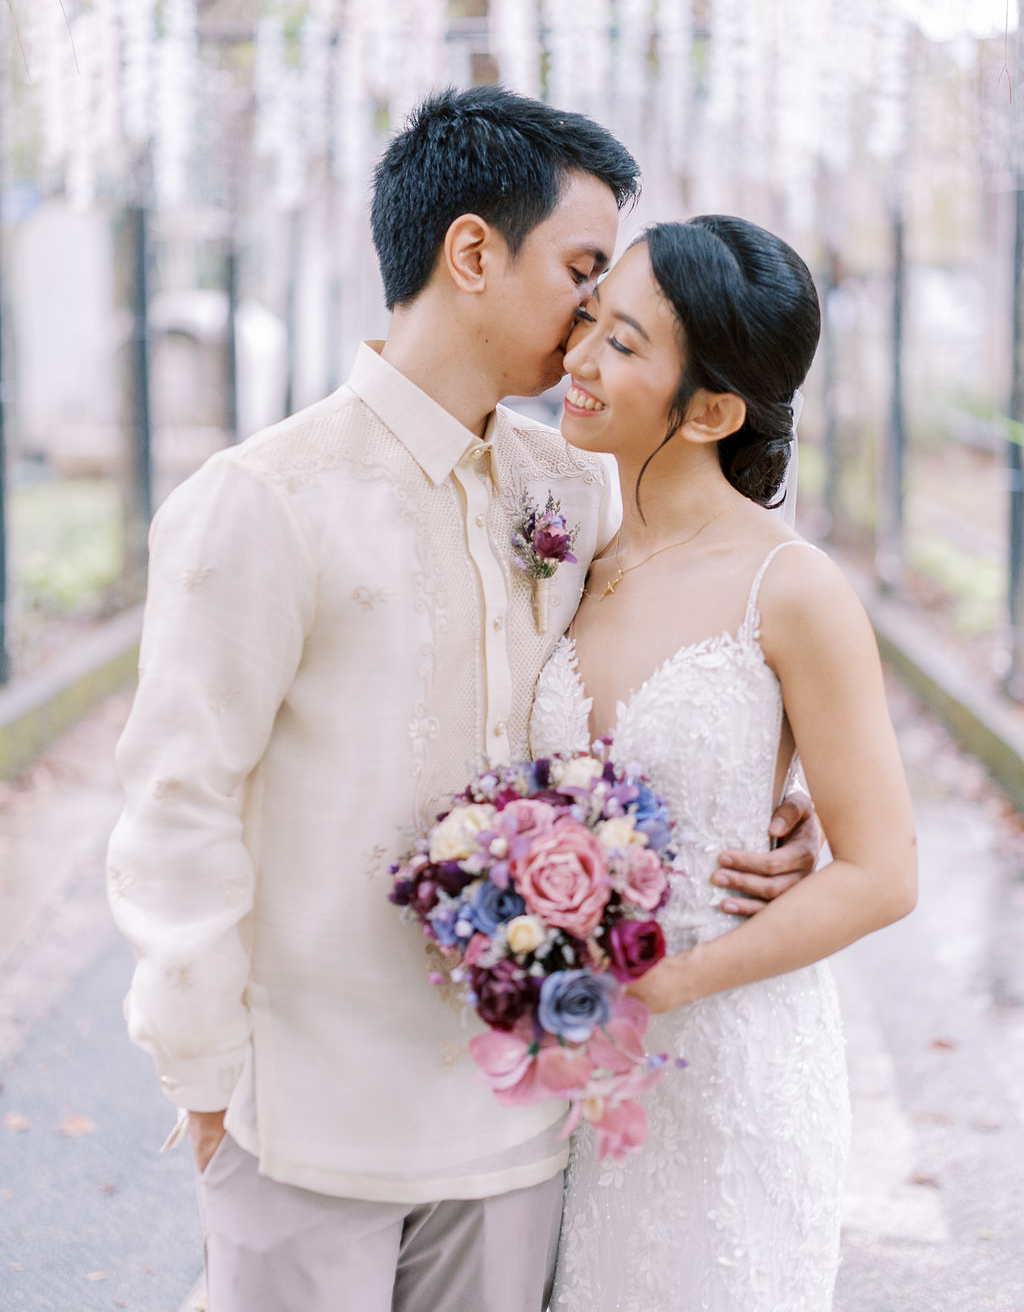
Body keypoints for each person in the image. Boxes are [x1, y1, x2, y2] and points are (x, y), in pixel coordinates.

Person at [107, 91, 818, 1312]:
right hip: (313, 1120)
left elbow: (686, 632)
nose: (596, 316)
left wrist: (770, 795)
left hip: (517, 1120)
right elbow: (178, 803)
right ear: (474, 252)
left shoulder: (572, 487)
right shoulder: (266, 499)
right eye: (583, 271)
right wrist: (207, 1080)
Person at [529, 216, 918, 1311]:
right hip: (558, 1075)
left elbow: (883, 872)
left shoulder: (791, 590)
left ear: (709, 411)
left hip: (730, 1067)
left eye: (621, 344)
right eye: (592, 319)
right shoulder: (563, 546)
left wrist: (666, 984)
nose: (576, 357)